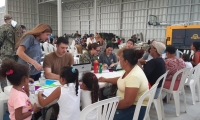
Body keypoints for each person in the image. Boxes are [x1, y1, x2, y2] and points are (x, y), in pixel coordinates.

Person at [99, 49, 149, 120]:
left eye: (120, 58)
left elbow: (127, 102)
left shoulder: (134, 76)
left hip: (135, 109)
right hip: (130, 106)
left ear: (126, 62)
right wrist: (106, 79)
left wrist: (109, 107)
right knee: (101, 109)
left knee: (101, 114)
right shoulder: (131, 69)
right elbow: (121, 79)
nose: (119, 59)